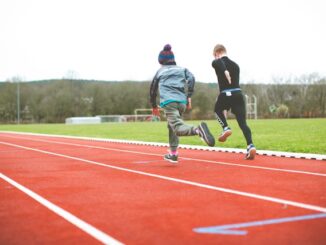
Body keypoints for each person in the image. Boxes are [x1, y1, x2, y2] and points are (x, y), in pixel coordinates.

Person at [150, 44, 215, 163]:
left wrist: (154, 106)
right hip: (181, 102)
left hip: (169, 102)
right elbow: (192, 79)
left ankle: (197, 130)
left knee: (177, 127)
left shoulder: (160, 71)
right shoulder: (182, 69)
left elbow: (153, 89)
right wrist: (189, 96)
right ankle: (173, 153)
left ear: (161, 61)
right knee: (172, 125)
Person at [211, 44, 256, 160]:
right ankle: (250, 145)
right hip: (238, 95)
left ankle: (226, 127)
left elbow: (218, 62)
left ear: (217, 53)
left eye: (215, 55)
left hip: (226, 93)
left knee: (217, 110)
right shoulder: (236, 65)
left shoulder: (217, 62)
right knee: (243, 123)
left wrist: (225, 70)